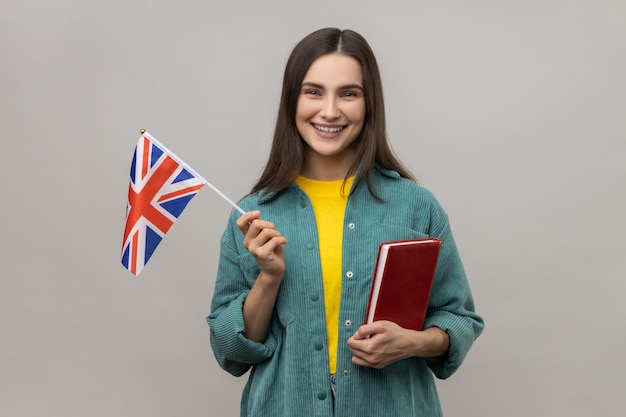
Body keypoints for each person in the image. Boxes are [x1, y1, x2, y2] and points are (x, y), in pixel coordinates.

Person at [207, 27, 484, 417]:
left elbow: (459, 319)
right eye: (314, 91)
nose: (331, 111)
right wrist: (268, 278)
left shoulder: (417, 207)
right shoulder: (253, 216)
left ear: (370, 104)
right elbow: (230, 352)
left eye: (349, 93)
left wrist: (412, 343)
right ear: (292, 100)